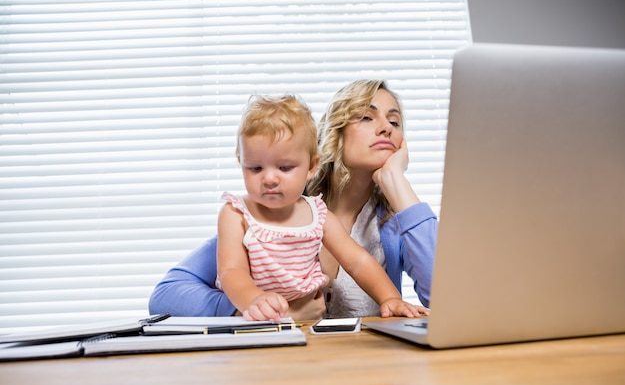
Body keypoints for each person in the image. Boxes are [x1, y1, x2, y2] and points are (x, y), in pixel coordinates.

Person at [148, 80, 438, 320]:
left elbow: (447, 301)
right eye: (366, 116)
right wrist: (260, 311)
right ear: (335, 130)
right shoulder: (270, 210)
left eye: (395, 120)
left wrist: (398, 184)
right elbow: (167, 296)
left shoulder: (393, 227)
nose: (386, 127)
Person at [219, 94, 423, 321]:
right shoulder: (236, 213)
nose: (269, 178)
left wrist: (390, 298)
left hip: (310, 327)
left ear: (312, 167)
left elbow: (358, 262)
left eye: (284, 168)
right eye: (255, 168)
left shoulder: (318, 215)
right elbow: (231, 270)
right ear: (241, 163)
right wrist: (253, 299)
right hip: (256, 322)